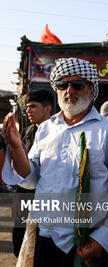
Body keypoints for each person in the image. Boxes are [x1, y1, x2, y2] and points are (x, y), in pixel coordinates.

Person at [2, 57, 108, 267]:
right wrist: (16, 147)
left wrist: (103, 239)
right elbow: (30, 179)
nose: (69, 90)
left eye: (77, 85)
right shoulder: (46, 128)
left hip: (88, 241)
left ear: (91, 90)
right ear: (57, 89)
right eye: (63, 85)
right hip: (45, 238)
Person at [12, 89, 53, 258]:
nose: (28, 111)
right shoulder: (26, 132)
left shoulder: (58, 133)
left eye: (33, 106)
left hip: (46, 201)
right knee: (19, 245)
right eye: (27, 107)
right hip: (24, 198)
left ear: (48, 108)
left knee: (41, 249)